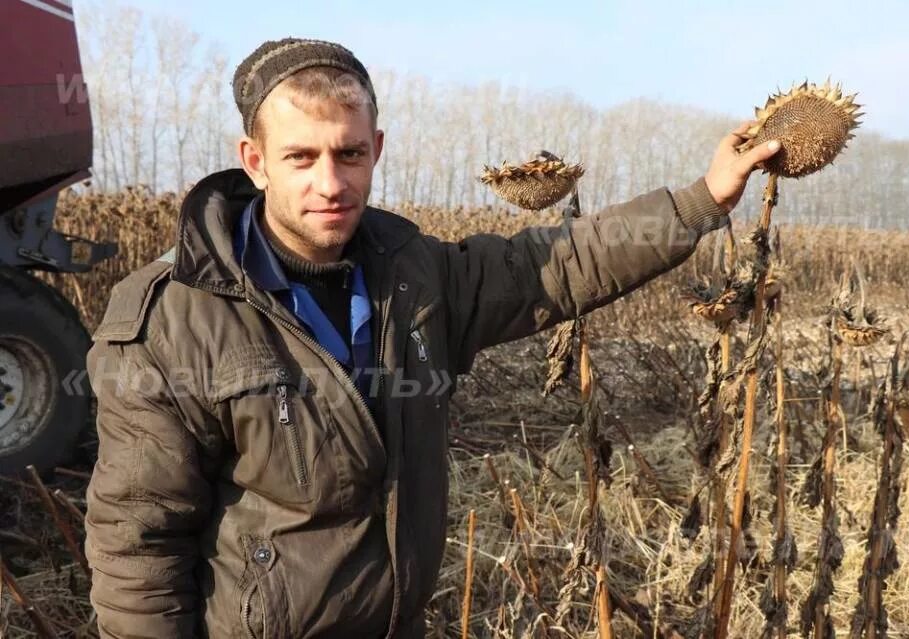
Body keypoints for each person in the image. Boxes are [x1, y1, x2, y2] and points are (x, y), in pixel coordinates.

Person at [84, 38, 780, 639]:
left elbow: (558, 265)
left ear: (376, 149)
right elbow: (138, 541)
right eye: (301, 157)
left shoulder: (415, 274)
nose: (331, 182)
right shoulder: (173, 318)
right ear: (255, 160)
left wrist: (703, 200)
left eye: (349, 154)